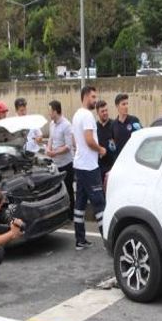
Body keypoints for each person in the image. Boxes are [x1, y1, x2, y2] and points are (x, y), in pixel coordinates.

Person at [71, 86, 107, 251]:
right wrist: (101, 150)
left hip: (79, 165)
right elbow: (88, 140)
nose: (95, 100)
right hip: (89, 167)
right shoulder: (86, 115)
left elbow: (74, 141)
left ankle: (80, 240)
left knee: (80, 205)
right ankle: (109, 239)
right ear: (85, 96)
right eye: (93, 97)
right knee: (99, 203)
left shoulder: (76, 115)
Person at [46, 100, 75, 219]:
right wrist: (48, 149)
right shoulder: (52, 124)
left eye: (50, 111)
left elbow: (68, 146)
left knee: (68, 189)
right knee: (56, 190)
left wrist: (54, 152)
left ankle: (70, 214)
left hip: (66, 163)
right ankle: (60, 214)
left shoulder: (67, 125)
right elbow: (50, 139)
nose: (49, 114)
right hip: (55, 163)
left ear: (55, 111)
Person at [96, 100, 116, 178]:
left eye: (106, 110)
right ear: (97, 112)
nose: (105, 113)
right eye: (102, 111)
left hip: (112, 166)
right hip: (99, 166)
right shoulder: (94, 127)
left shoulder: (114, 125)